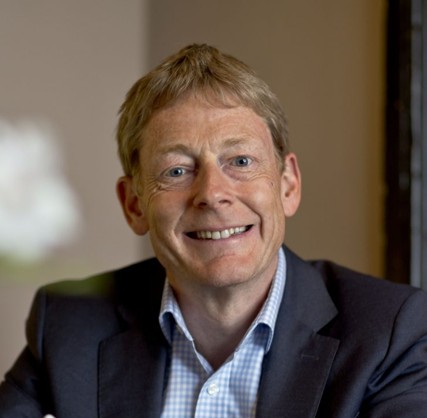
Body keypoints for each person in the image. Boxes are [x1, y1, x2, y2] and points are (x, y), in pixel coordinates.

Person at [1, 44, 427, 418]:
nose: (212, 194)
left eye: (240, 161)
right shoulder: (69, 325)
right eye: (177, 170)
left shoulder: (390, 333)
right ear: (134, 204)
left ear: (288, 185)